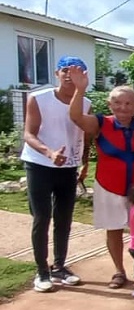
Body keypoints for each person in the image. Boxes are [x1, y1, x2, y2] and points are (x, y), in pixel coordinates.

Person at [68, 65, 134, 289]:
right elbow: (76, 117)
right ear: (110, 105)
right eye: (117, 103)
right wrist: (79, 90)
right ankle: (119, 271)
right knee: (114, 229)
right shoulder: (100, 123)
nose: (123, 107)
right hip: (110, 186)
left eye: (128, 103)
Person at [21, 56, 91, 292]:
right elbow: (28, 134)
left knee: (64, 219)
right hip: (40, 165)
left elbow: (85, 134)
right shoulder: (39, 99)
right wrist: (49, 152)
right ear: (56, 73)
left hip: (68, 168)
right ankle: (42, 272)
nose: (70, 75)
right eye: (65, 71)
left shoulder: (86, 103)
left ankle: (59, 267)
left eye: (77, 71)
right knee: (42, 217)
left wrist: (84, 162)